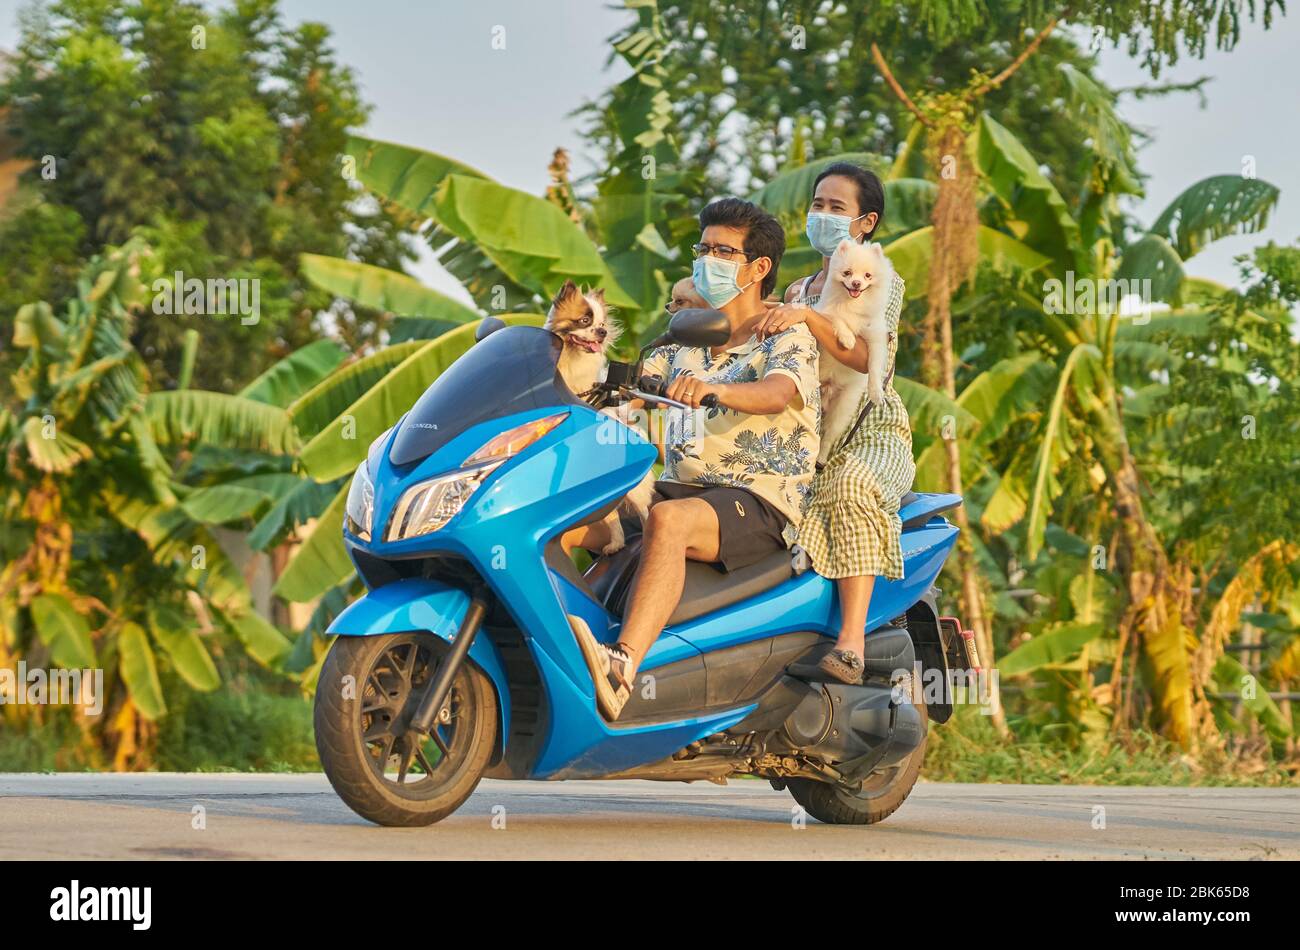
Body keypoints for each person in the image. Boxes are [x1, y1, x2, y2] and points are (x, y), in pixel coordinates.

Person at [563, 198, 821, 719]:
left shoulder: (785, 334)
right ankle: (557, 651)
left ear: (758, 268)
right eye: (702, 249)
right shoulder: (679, 343)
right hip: (681, 486)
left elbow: (775, 394)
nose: (707, 260)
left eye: (722, 251)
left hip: (758, 497)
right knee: (562, 520)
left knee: (667, 520)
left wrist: (713, 392)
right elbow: (627, 396)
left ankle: (622, 666)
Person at [755, 162, 914, 685]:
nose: (821, 215)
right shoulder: (798, 291)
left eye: (836, 208)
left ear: (865, 223)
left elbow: (873, 359)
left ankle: (850, 645)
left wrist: (806, 319)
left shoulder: (878, 280)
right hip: (803, 432)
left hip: (869, 428)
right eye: (817, 204)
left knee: (848, 487)